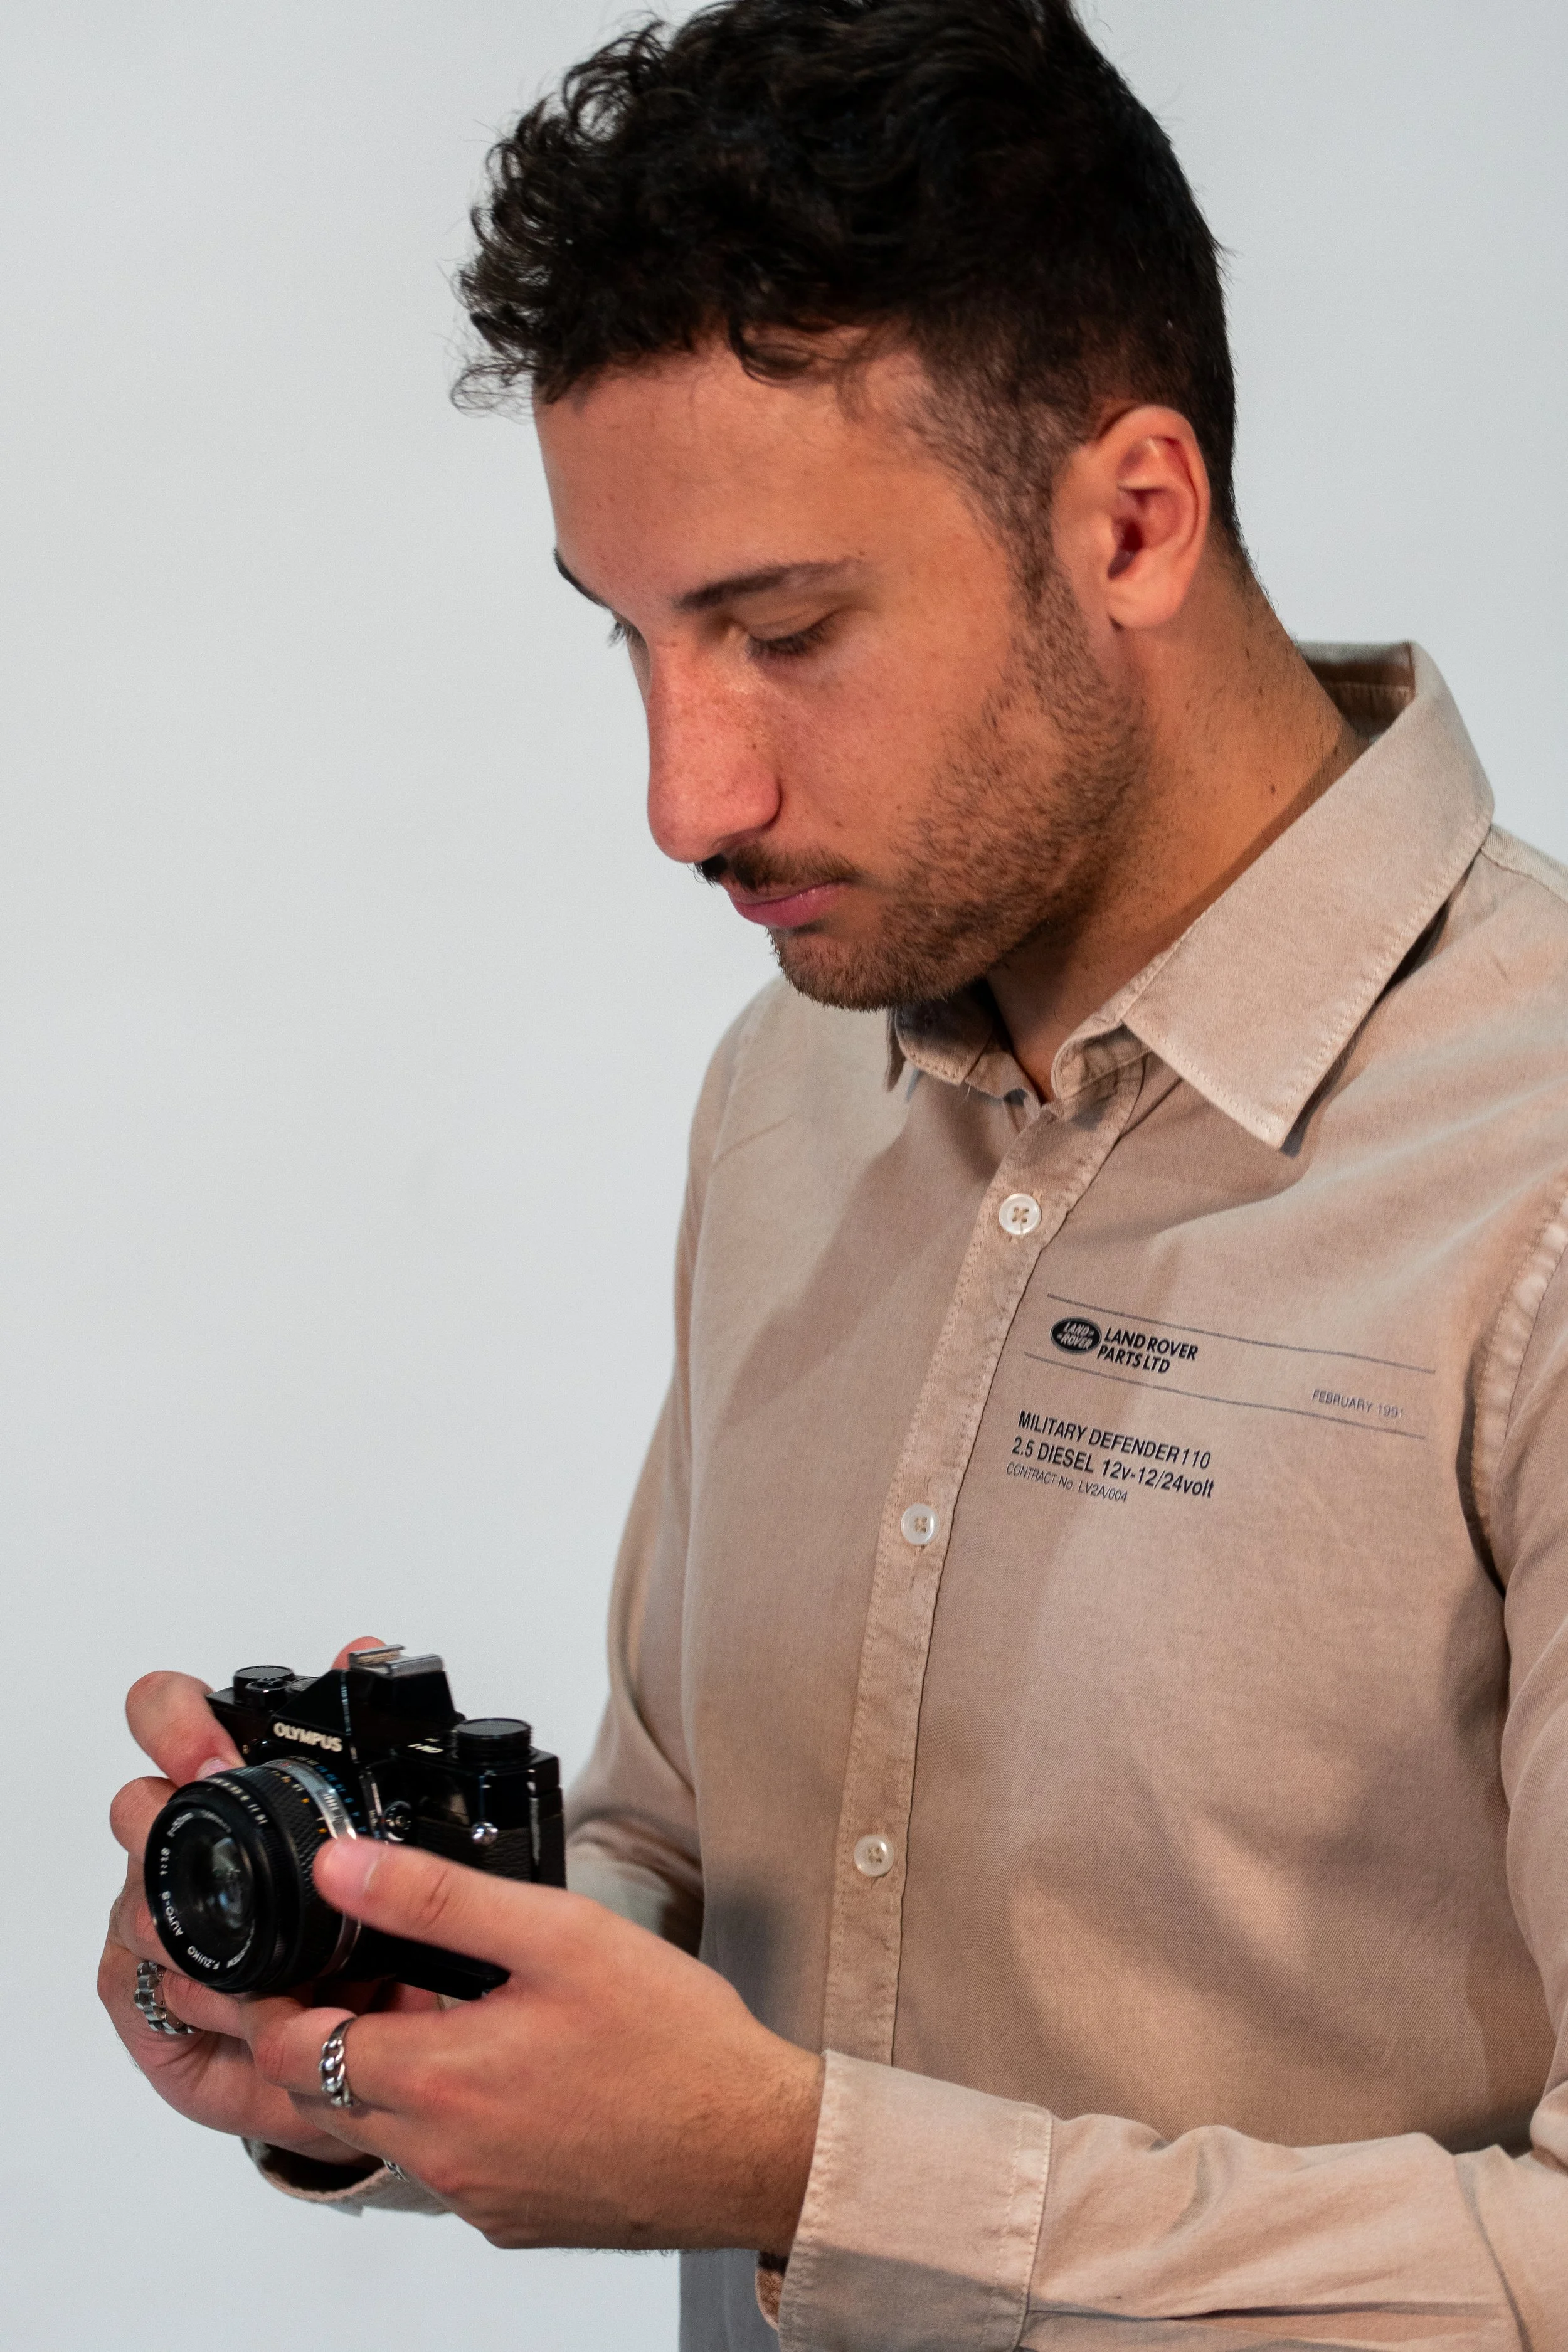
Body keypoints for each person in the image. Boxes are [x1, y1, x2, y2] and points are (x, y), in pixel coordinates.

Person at [98, 1, 1568, 2344]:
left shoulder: (1537, 1185)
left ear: (1132, 517)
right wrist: (356, 1983)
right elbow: (694, 1855)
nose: (685, 800)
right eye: (639, 641)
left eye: (783, 630)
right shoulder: (788, 1094)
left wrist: (813, 2169)